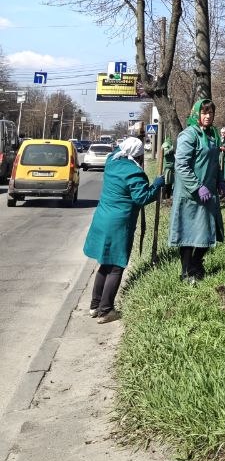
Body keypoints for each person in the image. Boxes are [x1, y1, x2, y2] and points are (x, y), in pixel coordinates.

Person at [82, 136, 164, 322]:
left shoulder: (112, 162)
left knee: (105, 262)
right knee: (117, 265)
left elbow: (116, 150)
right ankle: (106, 310)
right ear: (139, 156)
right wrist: (157, 185)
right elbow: (142, 198)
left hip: (102, 218)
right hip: (119, 223)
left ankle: (95, 306)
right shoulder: (134, 173)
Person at [168, 98, 225, 283]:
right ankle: (186, 272)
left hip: (208, 192)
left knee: (208, 231)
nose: (208, 116)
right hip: (190, 194)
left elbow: (214, 162)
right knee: (188, 234)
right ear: (197, 114)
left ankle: (196, 264)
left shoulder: (212, 135)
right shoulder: (189, 135)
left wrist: (220, 181)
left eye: (210, 113)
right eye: (204, 113)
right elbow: (182, 165)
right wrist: (196, 187)